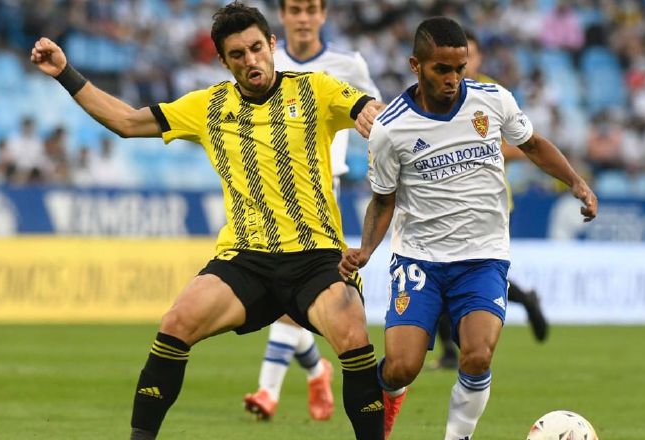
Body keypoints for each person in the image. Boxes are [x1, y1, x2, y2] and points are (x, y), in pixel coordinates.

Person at [30, 2, 386, 440]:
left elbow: (367, 107)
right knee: (176, 323)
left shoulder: (316, 89)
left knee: (352, 333)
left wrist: (371, 111)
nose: (250, 60)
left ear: (272, 45)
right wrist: (67, 73)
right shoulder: (209, 105)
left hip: (316, 258)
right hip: (246, 259)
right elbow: (125, 121)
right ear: (223, 60)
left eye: (257, 48)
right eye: (237, 54)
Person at [338, 17, 597, 439]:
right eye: (443, 69)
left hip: (483, 255)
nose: (454, 79)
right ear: (415, 65)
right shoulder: (390, 127)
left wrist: (575, 181)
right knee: (402, 365)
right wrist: (366, 250)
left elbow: (532, 145)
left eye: (460, 68)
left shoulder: (492, 100)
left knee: (476, 355)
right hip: (419, 256)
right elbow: (383, 200)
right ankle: (384, 407)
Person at [242, 0, 382, 422]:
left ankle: (268, 391)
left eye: (311, 10)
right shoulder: (263, 58)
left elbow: (376, 117)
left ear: (323, 15)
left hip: (322, 190)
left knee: (290, 291)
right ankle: (316, 367)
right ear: (282, 17)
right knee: (282, 295)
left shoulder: (348, 63)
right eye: (295, 9)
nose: (303, 18)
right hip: (264, 193)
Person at [429, 29, 548, 371]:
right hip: (441, 198)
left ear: (476, 59)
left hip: (490, 203)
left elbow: (525, 146)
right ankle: (451, 351)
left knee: (476, 273)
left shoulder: (493, 95)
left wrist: (481, 149)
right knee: (438, 267)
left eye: (474, 56)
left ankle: (522, 299)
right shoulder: (435, 94)